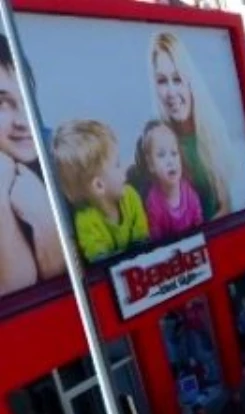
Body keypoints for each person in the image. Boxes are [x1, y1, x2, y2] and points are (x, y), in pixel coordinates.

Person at [0, 36, 64, 298]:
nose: (24, 120)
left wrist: (43, 218)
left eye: (26, 94)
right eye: (2, 104)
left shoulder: (61, 156)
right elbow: (18, 288)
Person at [149, 32, 233, 220]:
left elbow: (227, 205)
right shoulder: (157, 145)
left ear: (190, 81)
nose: (171, 92)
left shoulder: (212, 135)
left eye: (177, 79)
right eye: (162, 81)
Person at [51, 120, 150, 263]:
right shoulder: (85, 221)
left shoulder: (131, 196)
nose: (124, 171)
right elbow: (100, 261)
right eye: (117, 165)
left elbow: (143, 239)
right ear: (99, 186)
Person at [133, 121, 203, 241]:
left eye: (174, 154)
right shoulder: (153, 202)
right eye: (161, 155)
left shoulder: (189, 191)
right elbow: (156, 239)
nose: (170, 161)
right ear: (151, 165)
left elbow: (199, 222)